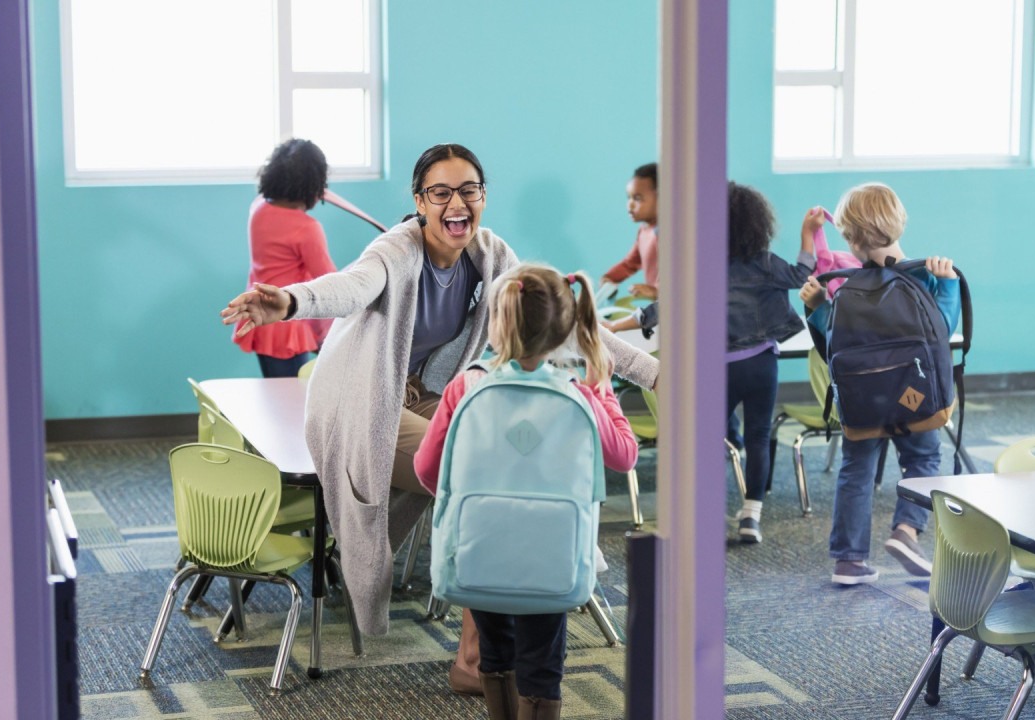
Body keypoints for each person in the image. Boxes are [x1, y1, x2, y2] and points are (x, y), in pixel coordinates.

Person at [219, 143, 659, 646]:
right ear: (420, 200)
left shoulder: (492, 256)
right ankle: (478, 652)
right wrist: (291, 300)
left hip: (416, 392)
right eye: (441, 192)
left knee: (504, 447)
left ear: (484, 196)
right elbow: (349, 288)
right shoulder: (395, 251)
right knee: (483, 468)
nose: (457, 203)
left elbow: (562, 319)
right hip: (358, 400)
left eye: (469, 190)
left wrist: (656, 376)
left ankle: (546, 579)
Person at [413, 264, 637, 720]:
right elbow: (624, 456)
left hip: (481, 548)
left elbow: (426, 471)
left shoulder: (465, 385)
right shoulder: (579, 391)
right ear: (564, 325)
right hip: (552, 555)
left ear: (497, 320)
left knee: (495, 654)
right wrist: (602, 387)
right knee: (542, 663)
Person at [602, 182, 815, 543]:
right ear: (755, 224)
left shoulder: (701, 270)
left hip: (721, 370)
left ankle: (698, 514)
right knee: (759, 436)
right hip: (763, 364)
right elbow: (801, 274)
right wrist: (808, 234)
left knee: (708, 439)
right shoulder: (765, 263)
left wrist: (614, 326)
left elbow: (660, 310)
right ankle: (751, 516)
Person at [797, 182, 959, 586]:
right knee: (922, 460)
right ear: (899, 222)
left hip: (864, 403)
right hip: (916, 398)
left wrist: (817, 308)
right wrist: (949, 285)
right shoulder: (922, 277)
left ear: (849, 237)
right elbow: (941, 332)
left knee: (856, 469)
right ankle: (906, 531)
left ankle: (849, 560)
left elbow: (831, 346)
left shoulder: (847, 289)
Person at [234, 138, 338, 377]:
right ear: (315, 185)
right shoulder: (306, 229)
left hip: (261, 316)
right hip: (286, 321)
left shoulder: (258, 208)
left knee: (277, 392)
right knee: (291, 396)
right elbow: (330, 282)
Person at [598, 162, 659, 301]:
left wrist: (657, 292)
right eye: (629, 197)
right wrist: (610, 278)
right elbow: (630, 264)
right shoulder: (644, 231)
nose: (630, 204)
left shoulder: (669, 234)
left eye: (637, 198)